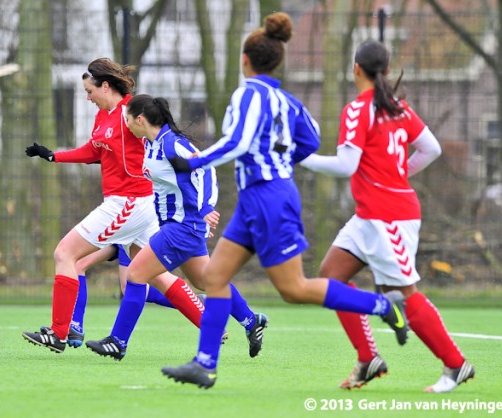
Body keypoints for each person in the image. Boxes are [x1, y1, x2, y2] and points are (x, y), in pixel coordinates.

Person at [161, 12, 409, 389]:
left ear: (245, 60)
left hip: (269, 198)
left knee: (294, 289)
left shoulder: (247, 93)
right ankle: (205, 364)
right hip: (255, 199)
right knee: (215, 276)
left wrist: (193, 160)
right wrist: (280, 153)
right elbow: (311, 138)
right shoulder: (288, 101)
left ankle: (384, 305)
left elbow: (238, 142)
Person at [299, 40, 474, 393]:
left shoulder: (358, 110)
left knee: (404, 294)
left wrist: (303, 159)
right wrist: (402, 174)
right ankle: (368, 359)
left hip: (388, 216)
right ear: (386, 71)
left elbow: (347, 164)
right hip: (369, 215)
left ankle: (456, 365)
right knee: (332, 276)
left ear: (356, 69)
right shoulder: (399, 109)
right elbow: (432, 149)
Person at [21, 58, 205, 353]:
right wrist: (54, 156)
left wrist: (197, 204)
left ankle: (58, 333)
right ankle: (210, 323)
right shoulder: (103, 117)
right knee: (156, 276)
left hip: (129, 202)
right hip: (133, 205)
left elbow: (164, 142)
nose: (87, 97)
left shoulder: (131, 112)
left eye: (89, 90)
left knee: (65, 253)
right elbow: (93, 150)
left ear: (105, 86)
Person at [84, 94, 268, 360]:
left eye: (127, 119)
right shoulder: (151, 143)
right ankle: (252, 321)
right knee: (206, 281)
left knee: (135, 275)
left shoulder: (173, 144)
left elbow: (206, 169)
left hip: (181, 227)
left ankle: (118, 342)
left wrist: (206, 207)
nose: (125, 124)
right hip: (179, 227)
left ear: (140, 119)